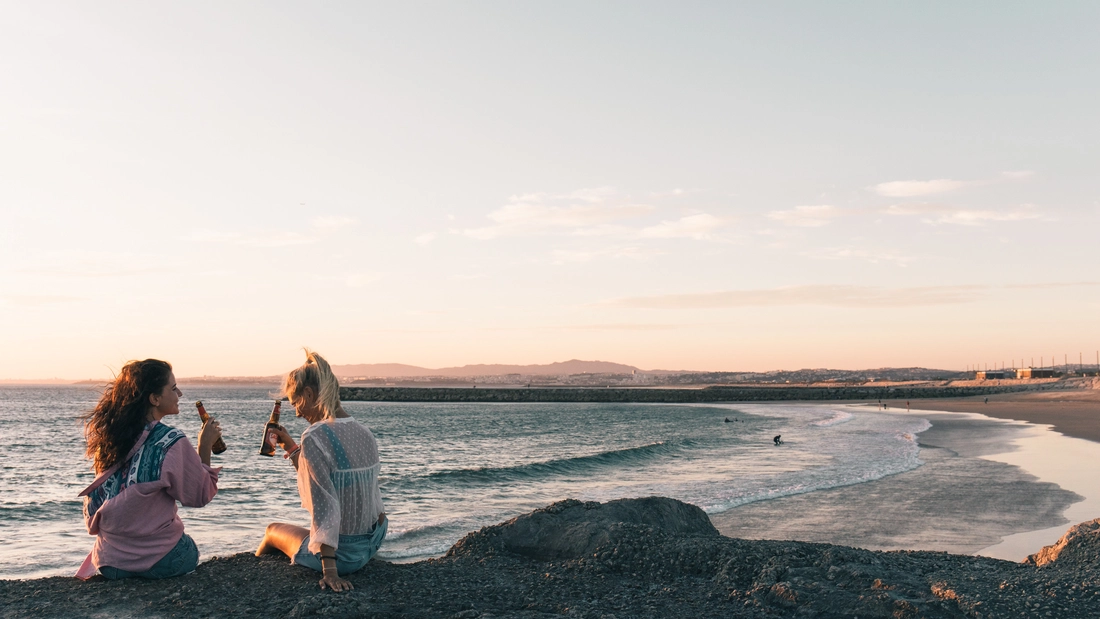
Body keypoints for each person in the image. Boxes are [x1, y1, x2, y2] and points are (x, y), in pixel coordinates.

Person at [76, 359, 222, 580]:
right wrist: (204, 447)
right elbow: (200, 495)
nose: (180, 394)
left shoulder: (110, 439)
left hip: (110, 564)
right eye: (173, 389)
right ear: (154, 399)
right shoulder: (170, 441)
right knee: (188, 548)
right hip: (161, 562)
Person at [256, 350, 387, 592]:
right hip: (373, 541)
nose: (296, 412)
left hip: (344, 556)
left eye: (296, 403)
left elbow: (325, 507)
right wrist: (291, 447)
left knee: (272, 530)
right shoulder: (364, 432)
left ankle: (252, 576)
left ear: (308, 393)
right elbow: (338, 485)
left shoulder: (315, 435)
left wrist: (330, 572)